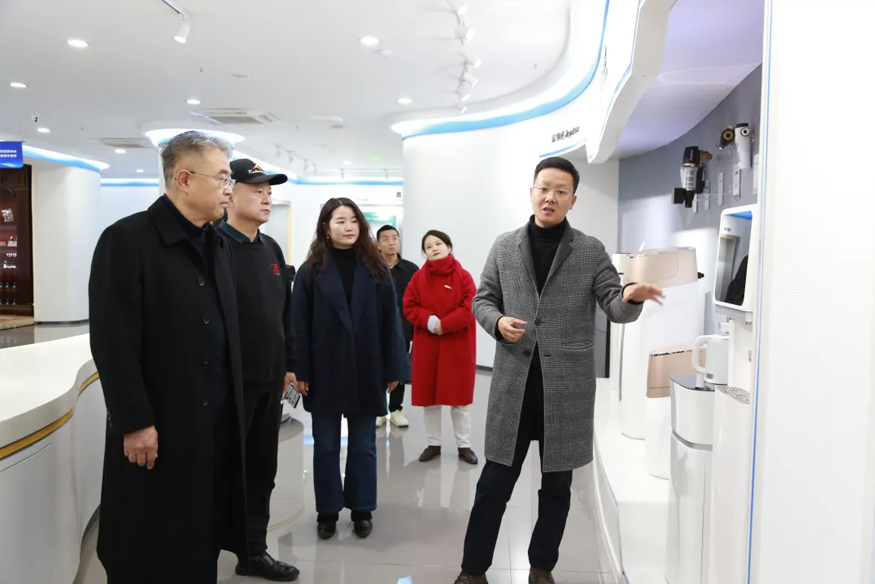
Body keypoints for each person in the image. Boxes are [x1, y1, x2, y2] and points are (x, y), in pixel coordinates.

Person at [454, 157, 664, 584]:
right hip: (514, 386)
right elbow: (482, 299)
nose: (550, 197)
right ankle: (472, 571)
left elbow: (613, 304)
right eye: (544, 188)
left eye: (560, 191)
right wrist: (497, 321)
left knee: (556, 489)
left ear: (573, 200)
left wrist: (632, 296)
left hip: (565, 390)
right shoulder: (504, 246)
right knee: (494, 484)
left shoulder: (589, 250)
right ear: (532, 192)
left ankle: (541, 568)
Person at [89, 131, 250, 583]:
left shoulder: (218, 244)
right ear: (183, 179)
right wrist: (135, 422)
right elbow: (113, 342)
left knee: (201, 537)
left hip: (213, 424)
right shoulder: (126, 240)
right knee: (148, 542)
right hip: (157, 427)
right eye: (222, 178)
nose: (229, 189)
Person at [292, 197, 410, 540]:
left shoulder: (376, 268)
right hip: (324, 369)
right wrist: (300, 370)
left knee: (363, 445)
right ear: (326, 228)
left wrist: (394, 367)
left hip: (366, 367)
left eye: (354, 221)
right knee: (326, 445)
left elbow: (391, 323)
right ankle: (327, 510)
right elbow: (298, 324)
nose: (348, 227)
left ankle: (362, 508)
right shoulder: (310, 270)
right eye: (340, 221)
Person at [217, 158, 299, 582]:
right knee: (221, 471)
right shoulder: (213, 246)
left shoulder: (271, 249)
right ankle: (203, 550)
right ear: (229, 194)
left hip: (268, 384)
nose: (267, 198)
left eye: (269, 192)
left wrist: (288, 366)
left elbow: (283, 314)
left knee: (261, 471)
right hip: (226, 387)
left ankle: (253, 551)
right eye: (257, 190)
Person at [403, 230, 478, 465]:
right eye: (428, 246)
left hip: (458, 345)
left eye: (438, 243)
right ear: (424, 253)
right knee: (430, 400)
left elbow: (470, 307)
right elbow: (409, 305)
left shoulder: (464, 276)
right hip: (428, 345)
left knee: (460, 400)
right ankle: (433, 444)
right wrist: (429, 321)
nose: (434, 248)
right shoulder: (418, 278)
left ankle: (464, 446)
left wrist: (444, 325)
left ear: (449, 247)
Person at [375, 224, 419, 429]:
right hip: (375, 326)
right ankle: (378, 409)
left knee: (399, 365)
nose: (391, 243)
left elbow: (419, 299)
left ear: (399, 241)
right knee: (376, 366)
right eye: (385, 239)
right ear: (378, 244)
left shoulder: (411, 270)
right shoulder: (370, 267)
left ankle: (396, 409)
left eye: (394, 238)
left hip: (403, 327)